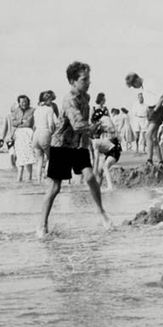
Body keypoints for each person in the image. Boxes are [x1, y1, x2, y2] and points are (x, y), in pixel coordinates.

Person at [39, 61, 112, 236]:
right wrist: (97, 127)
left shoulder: (86, 98)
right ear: (73, 81)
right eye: (84, 79)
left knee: (90, 177)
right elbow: (78, 124)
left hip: (79, 145)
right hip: (61, 144)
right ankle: (42, 225)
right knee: (55, 188)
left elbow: (83, 127)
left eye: (89, 79)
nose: (88, 82)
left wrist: (91, 135)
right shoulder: (69, 100)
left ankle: (101, 212)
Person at [125, 73, 163, 168]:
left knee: (148, 135)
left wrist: (155, 110)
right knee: (154, 139)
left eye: (134, 85)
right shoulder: (144, 87)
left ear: (136, 80)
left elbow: (162, 97)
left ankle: (149, 160)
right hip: (151, 111)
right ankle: (161, 162)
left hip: (157, 111)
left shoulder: (149, 83)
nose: (135, 88)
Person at [32, 90, 58, 181]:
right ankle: (46, 175)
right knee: (51, 157)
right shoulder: (49, 109)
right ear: (48, 100)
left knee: (39, 160)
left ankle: (38, 181)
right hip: (45, 133)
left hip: (35, 135)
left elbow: (34, 125)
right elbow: (51, 124)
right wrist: (52, 133)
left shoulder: (36, 110)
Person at [12, 95, 37, 181]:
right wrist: (21, 122)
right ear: (19, 103)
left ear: (28, 102)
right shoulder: (16, 111)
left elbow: (30, 123)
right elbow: (13, 123)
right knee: (20, 157)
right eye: (22, 102)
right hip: (19, 135)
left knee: (29, 157)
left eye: (25, 102)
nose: (24, 103)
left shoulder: (33, 110)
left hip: (28, 134)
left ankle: (29, 178)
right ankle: (19, 178)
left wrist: (23, 123)